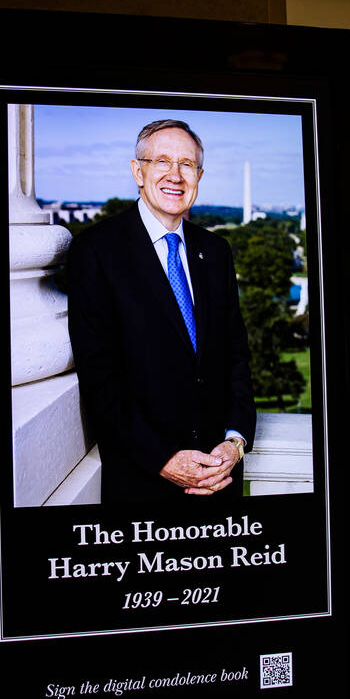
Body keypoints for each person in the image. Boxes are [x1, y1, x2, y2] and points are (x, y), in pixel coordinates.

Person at [66, 119, 256, 503]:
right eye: (162, 161)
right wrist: (163, 459)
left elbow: (236, 356)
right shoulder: (96, 252)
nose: (176, 175)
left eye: (187, 164)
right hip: (143, 484)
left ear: (199, 175)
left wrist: (234, 443)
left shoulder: (216, 252)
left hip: (219, 480)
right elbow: (99, 376)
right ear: (138, 171)